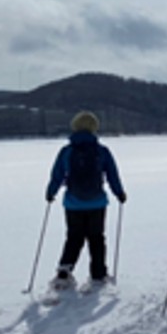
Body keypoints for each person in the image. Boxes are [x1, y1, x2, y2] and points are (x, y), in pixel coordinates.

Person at [45, 110, 128, 286]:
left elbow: (57, 175)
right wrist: (119, 193)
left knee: (74, 238)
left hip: (73, 204)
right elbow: (112, 174)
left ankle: (63, 273)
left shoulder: (67, 151)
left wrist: (51, 192)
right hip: (97, 203)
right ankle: (98, 274)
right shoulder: (102, 151)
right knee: (96, 238)